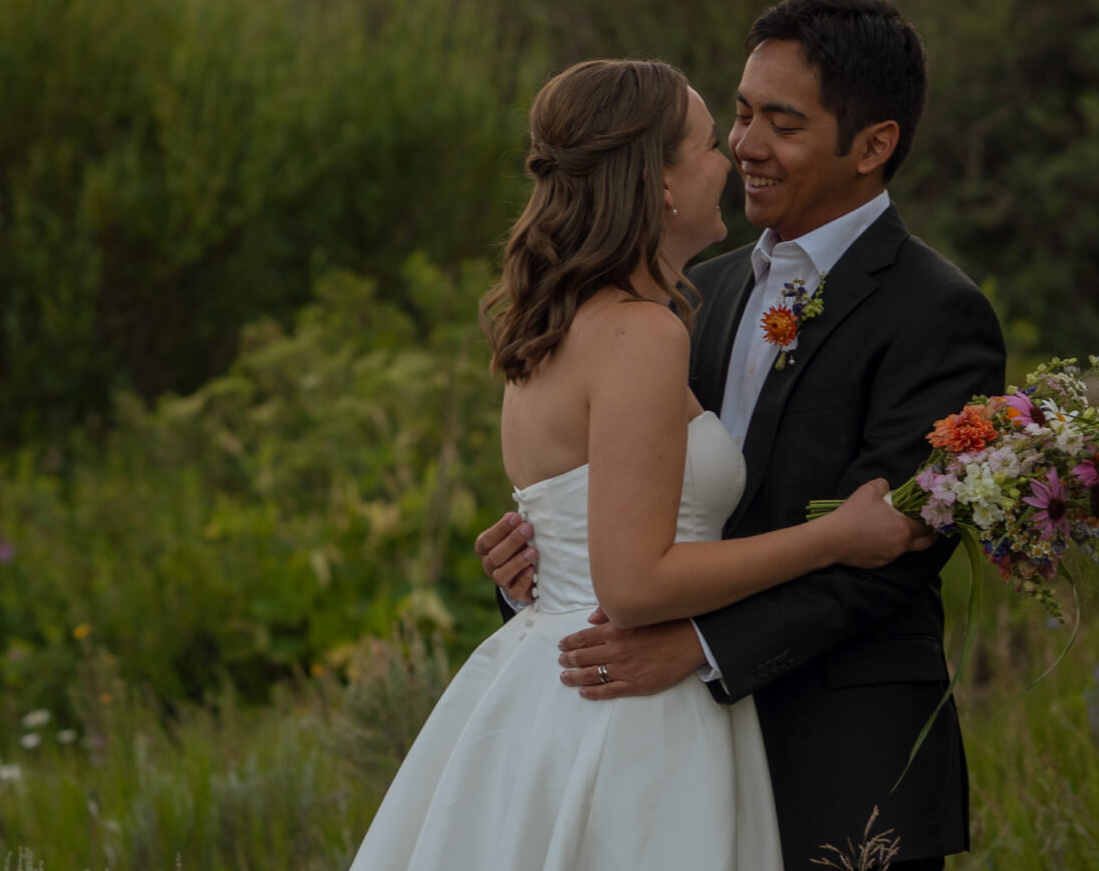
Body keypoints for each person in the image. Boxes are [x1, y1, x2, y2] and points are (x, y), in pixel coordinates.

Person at [350, 54, 931, 871]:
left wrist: (534, 567)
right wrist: (836, 535)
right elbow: (631, 584)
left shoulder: (555, 324)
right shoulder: (643, 333)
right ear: (660, 183)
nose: (732, 155)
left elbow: (587, 524)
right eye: (711, 140)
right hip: (634, 712)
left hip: (552, 691)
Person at [475, 0, 1007, 868]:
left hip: (839, 760)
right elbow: (637, 509)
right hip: (660, 748)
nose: (747, 144)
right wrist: (539, 568)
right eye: (741, 114)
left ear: (873, 144)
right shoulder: (693, 293)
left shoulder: (938, 314)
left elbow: (897, 550)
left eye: (783, 123)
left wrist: (700, 648)